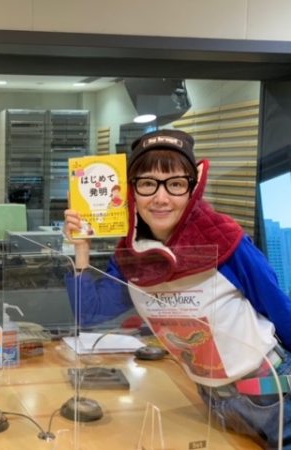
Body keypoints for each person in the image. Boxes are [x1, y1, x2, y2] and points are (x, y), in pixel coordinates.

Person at [64, 129, 291, 448]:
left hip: (272, 390)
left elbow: (281, 311)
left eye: (175, 184)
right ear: (131, 190)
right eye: (147, 183)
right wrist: (81, 249)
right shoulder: (132, 255)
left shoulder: (225, 240)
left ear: (192, 188)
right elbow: (90, 313)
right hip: (213, 399)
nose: (161, 198)